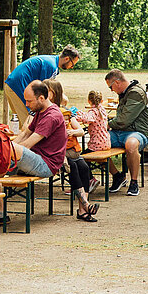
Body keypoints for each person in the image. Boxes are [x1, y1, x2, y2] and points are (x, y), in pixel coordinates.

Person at [0, 80, 68, 224]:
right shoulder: (41, 111)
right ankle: (1, 215)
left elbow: (27, 144)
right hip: (35, 159)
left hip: (46, 165)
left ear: (41, 98)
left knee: (0, 158)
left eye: (29, 101)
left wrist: (5, 150)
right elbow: (24, 134)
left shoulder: (52, 116)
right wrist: (6, 148)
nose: (26, 104)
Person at [45, 79, 98, 222]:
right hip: (55, 154)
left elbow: (80, 130)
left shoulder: (66, 112)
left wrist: (71, 132)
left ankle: (82, 210)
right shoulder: (41, 111)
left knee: (84, 167)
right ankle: (86, 206)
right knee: (73, 167)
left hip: (70, 150)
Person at [2, 45, 80, 125]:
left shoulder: (52, 62)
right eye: (72, 64)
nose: (71, 67)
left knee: (20, 122)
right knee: (28, 123)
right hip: (18, 87)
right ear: (67, 59)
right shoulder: (51, 65)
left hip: (11, 85)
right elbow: (45, 90)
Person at [103, 69, 148, 196]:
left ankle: (134, 182)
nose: (111, 90)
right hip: (119, 132)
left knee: (131, 145)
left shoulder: (136, 93)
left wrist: (107, 124)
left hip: (137, 132)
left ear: (117, 82)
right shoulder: (125, 92)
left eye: (111, 87)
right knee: (96, 143)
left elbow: (125, 120)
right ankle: (118, 176)